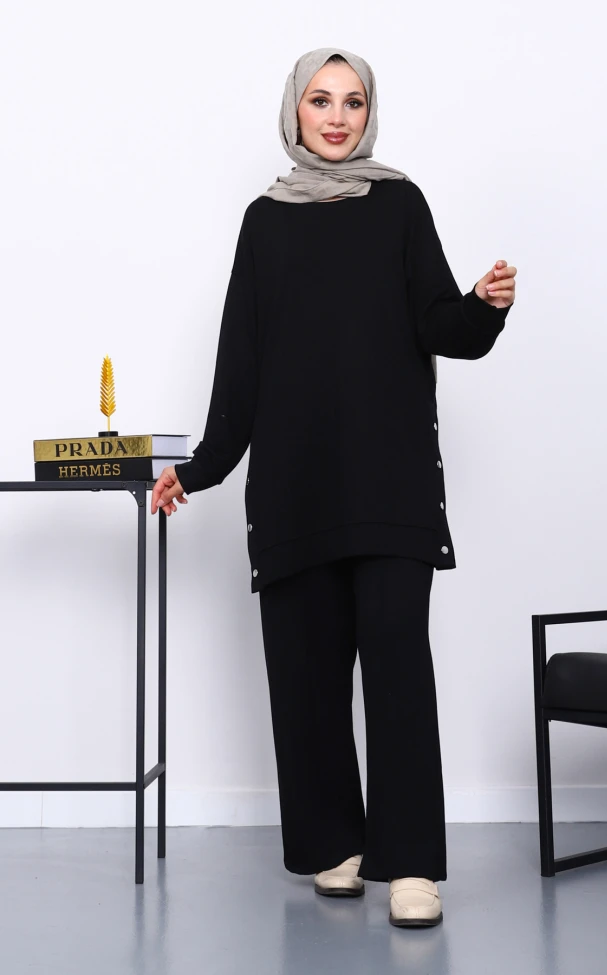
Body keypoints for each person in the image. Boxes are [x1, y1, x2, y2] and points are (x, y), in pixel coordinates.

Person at [151, 47, 516, 928]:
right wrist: (199, 467)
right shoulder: (265, 222)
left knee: (397, 670)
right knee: (307, 677)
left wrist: (482, 305)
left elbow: (441, 325)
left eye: (353, 102)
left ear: (368, 113)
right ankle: (336, 846)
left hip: (391, 483)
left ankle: (412, 863)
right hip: (295, 487)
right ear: (296, 112)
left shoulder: (400, 204)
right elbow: (241, 360)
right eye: (321, 101)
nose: (338, 117)